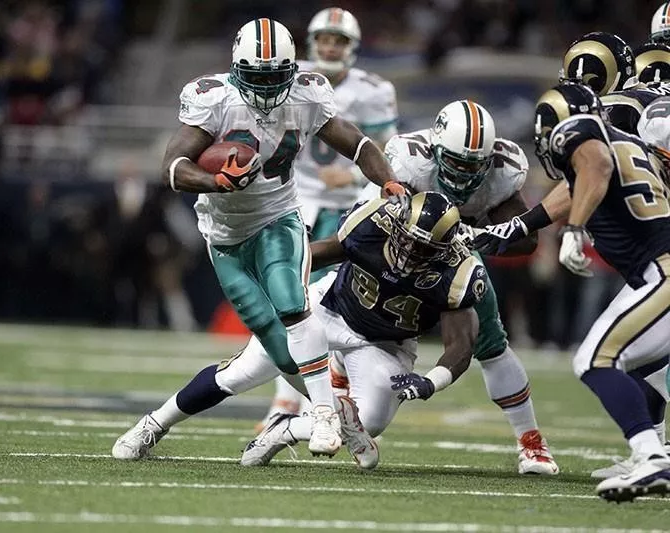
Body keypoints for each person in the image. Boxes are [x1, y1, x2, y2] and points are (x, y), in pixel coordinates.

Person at [122, 18, 404, 458]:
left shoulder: (308, 92)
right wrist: (215, 181)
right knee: (278, 350)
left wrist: (387, 181)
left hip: (279, 216)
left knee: (293, 303)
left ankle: (326, 417)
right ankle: (156, 426)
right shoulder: (214, 98)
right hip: (225, 234)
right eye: (259, 77)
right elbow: (173, 166)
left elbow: (359, 144)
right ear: (237, 70)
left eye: (277, 77)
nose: (270, 88)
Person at [111, 192, 484, 471]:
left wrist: (431, 382)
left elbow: (461, 344)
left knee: (369, 421)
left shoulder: (459, 269)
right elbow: (323, 252)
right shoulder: (374, 222)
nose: (409, 252)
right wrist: (285, 284)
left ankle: (286, 428)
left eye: (423, 248)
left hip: (386, 342)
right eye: (407, 240)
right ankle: (154, 424)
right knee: (242, 372)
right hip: (330, 310)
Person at [478, 82, 670, 502]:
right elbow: (578, 182)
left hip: (664, 274)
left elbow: (594, 166)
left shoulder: (580, 135)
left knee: (595, 358)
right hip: (657, 274)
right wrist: (521, 226)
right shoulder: (625, 145)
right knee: (640, 362)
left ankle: (651, 456)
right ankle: (654, 452)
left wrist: (575, 229)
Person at [359, 100, 559, 475]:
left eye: (474, 165)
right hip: (400, 254)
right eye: (456, 162)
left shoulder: (504, 171)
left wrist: (484, 236)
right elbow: (374, 221)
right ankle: (336, 386)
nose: (465, 173)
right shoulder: (408, 161)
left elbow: (526, 241)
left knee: (492, 343)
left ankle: (531, 442)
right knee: (363, 321)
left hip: (458, 260)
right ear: (435, 151)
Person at [257, 7, 399, 432]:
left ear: (352, 47)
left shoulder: (373, 90)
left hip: (348, 206)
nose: (330, 47)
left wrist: (355, 172)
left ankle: (308, 399)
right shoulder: (289, 75)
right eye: (324, 39)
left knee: (327, 304)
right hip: (292, 200)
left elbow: (386, 151)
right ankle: (290, 399)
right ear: (311, 42)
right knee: (284, 300)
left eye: (338, 41)